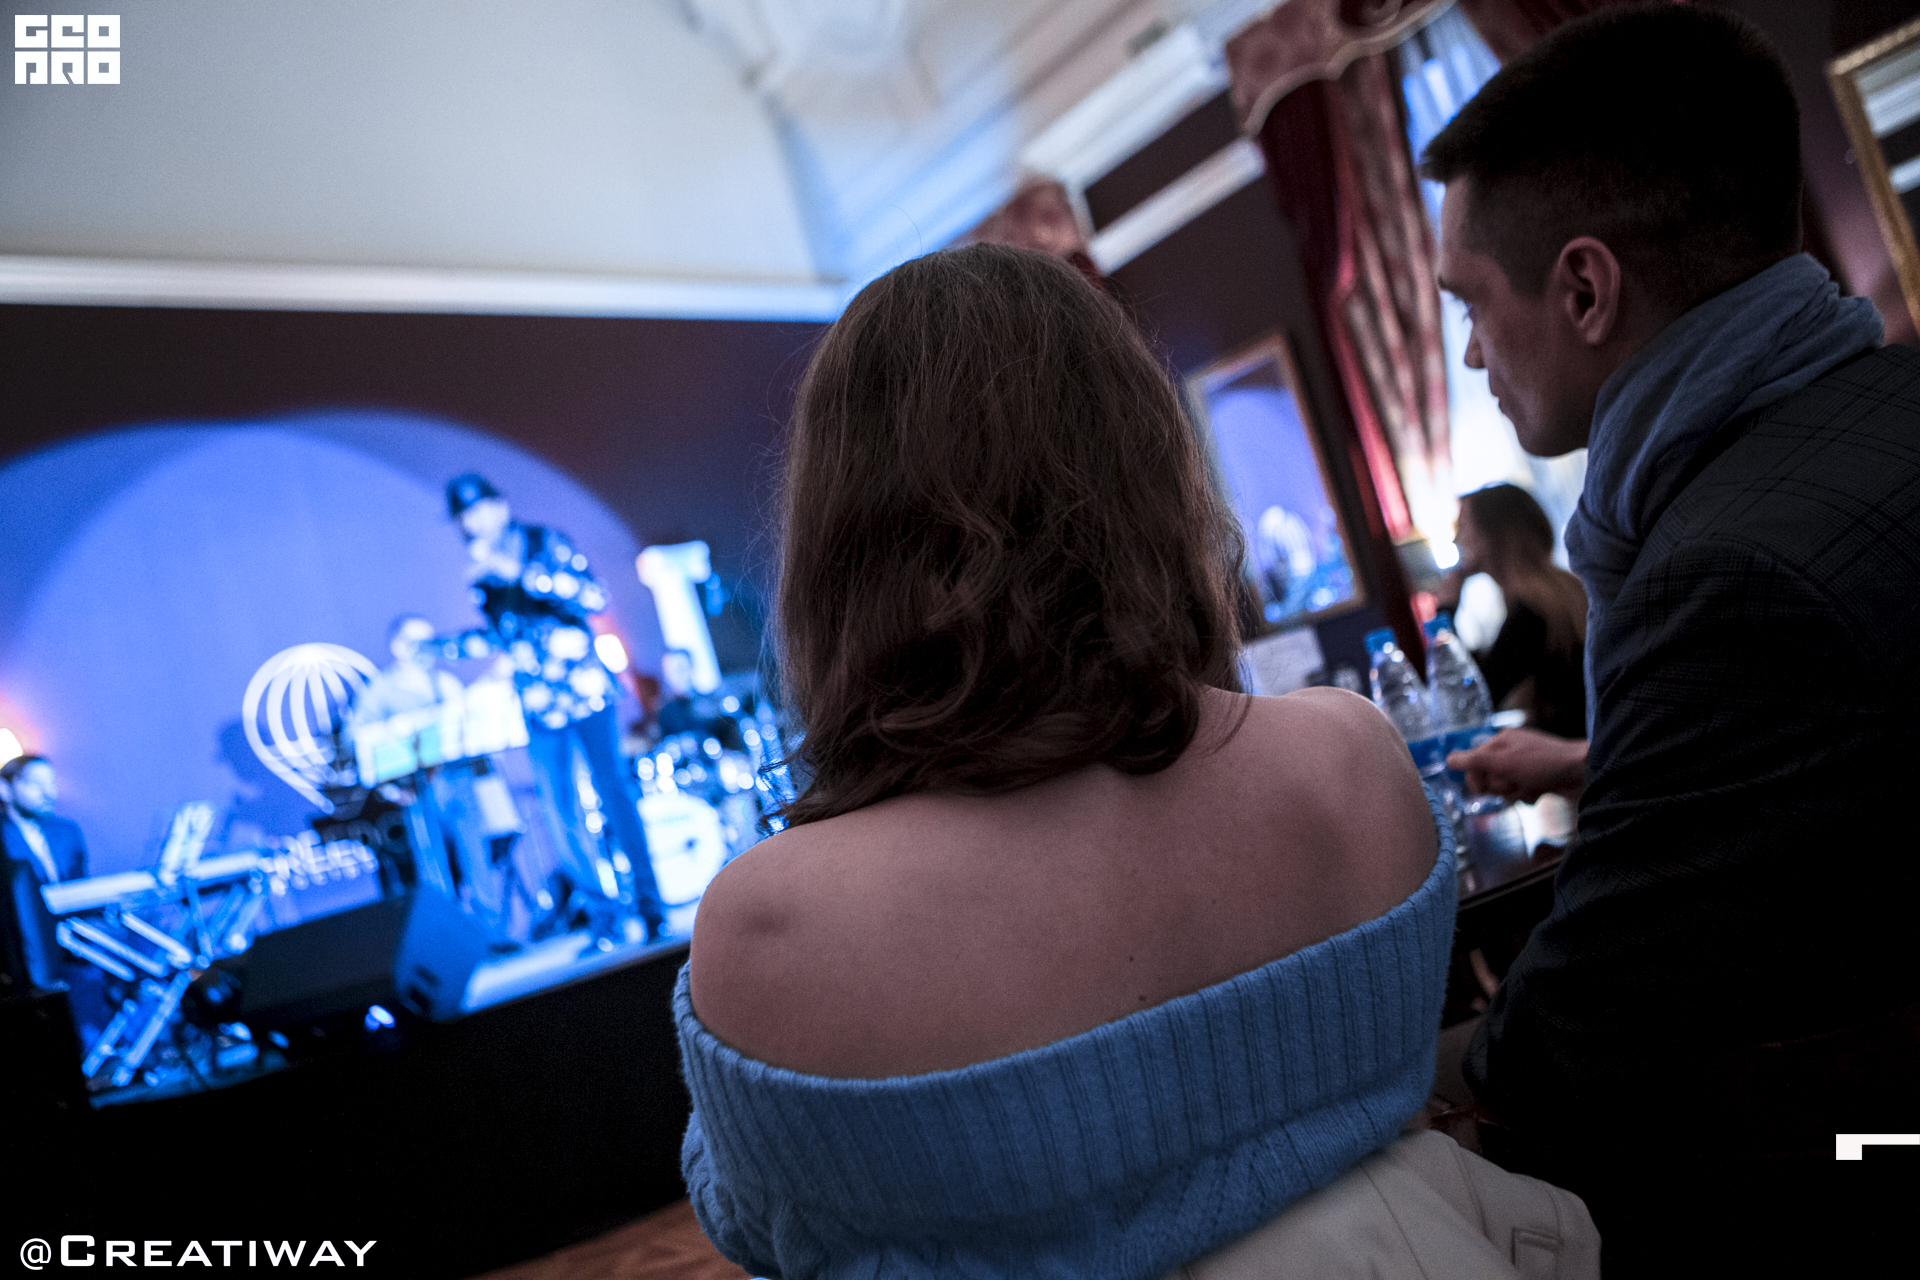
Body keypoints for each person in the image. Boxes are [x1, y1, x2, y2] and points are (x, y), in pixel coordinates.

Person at [675, 245, 1597, 1279]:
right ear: (1152, 476)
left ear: (839, 544)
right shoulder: (1348, 761)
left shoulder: (769, 922)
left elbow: (759, 1224)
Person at [1423, 4, 1919, 1267]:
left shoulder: (1717, 578)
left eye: (1469, 303)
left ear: (1586, 288)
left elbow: (1585, 1029)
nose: (1470, 352)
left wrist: (1429, 1098)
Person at [443, 475, 667, 942]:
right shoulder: (479, 573)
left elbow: (593, 597)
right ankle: (604, 921)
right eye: (463, 517)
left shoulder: (544, 542)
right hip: (539, 706)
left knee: (614, 793)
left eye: (478, 510)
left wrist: (519, 572)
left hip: (585, 691)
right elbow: (502, 636)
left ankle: (651, 907)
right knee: (558, 811)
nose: (472, 523)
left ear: (500, 506)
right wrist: (441, 648)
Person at [1434, 484, 1587, 739]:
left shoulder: (1532, 612)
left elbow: (1476, 698)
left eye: (1462, 526)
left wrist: (1446, 610)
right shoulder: (1562, 590)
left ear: (1491, 536)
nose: (1456, 540)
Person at [1, 755, 106, 1038]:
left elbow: (81, 891)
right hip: (25, 954)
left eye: (51, 783)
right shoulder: (3, 839)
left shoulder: (66, 832)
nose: (49, 792)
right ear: (5, 789)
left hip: (78, 941)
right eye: (36, 784)